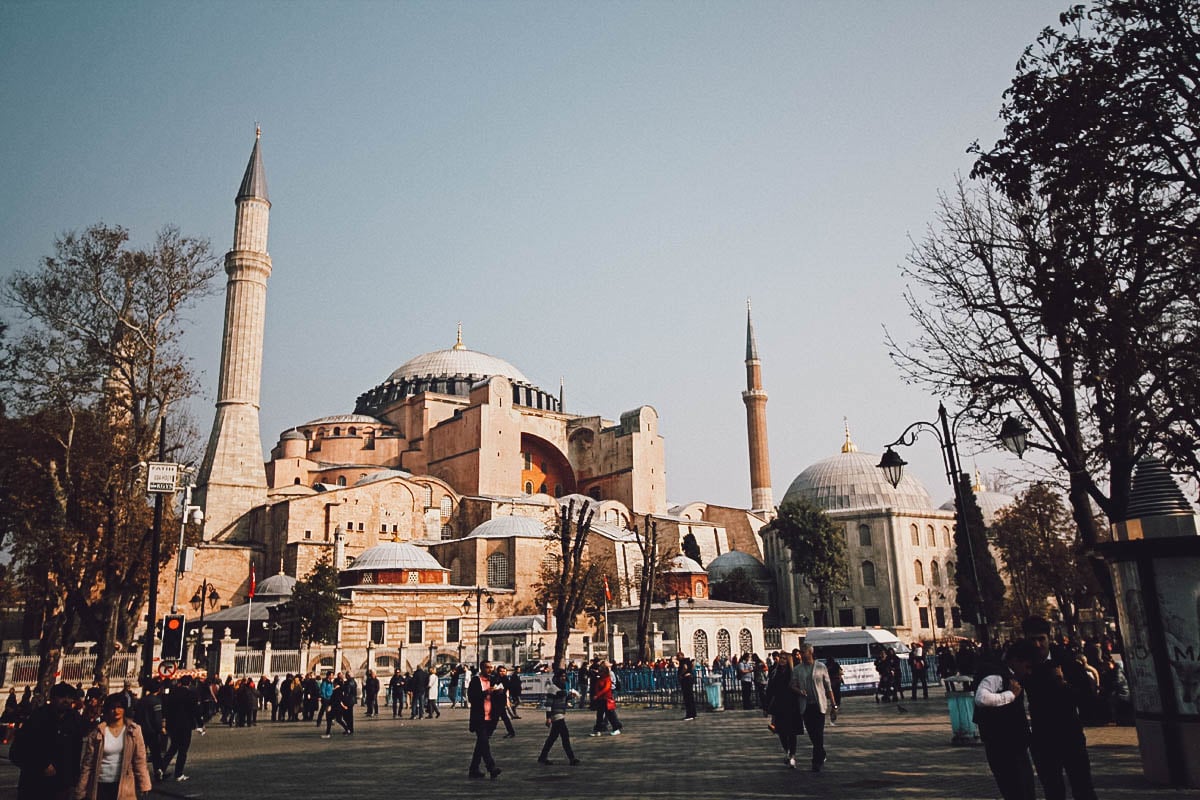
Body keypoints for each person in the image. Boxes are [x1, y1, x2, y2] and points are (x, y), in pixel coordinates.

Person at [1021, 616, 1099, 800]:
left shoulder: (1067, 661)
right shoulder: (1023, 663)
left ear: (1049, 637)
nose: (1038, 644)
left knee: (1082, 786)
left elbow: (1087, 697)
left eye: (1042, 639)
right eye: (1033, 639)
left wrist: (1063, 684)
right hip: (1042, 735)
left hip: (1069, 731)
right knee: (1053, 789)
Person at [974, 640, 1039, 800]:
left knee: (1025, 789)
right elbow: (982, 698)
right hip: (1003, 745)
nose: (1028, 672)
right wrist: (1010, 695)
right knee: (1017, 790)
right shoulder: (997, 675)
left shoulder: (1007, 674)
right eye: (1027, 666)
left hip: (1014, 743)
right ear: (1016, 660)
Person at [10, 682, 86, 800]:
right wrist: (41, 765)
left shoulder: (75, 719)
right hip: (34, 783)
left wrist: (74, 781)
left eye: (69, 697)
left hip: (62, 784)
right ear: (52, 698)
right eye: (61, 696)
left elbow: (76, 752)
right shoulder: (38, 717)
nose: (66, 700)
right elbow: (18, 751)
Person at [74, 693, 152, 800]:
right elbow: (88, 763)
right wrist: (81, 789)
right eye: (113, 707)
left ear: (125, 709)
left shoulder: (134, 730)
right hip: (100, 783)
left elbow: (140, 759)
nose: (116, 711)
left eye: (119, 707)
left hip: (123, 783)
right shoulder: (98, 732)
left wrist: (144, 783)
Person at [791, 644, 835, 772]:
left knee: (819, 733)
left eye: (804, 652)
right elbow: (792, 685)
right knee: (812, 733)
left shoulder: (821, 667)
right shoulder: (797, 669)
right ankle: (821, 752)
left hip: (819, 704)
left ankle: (816, 761)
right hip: (806, 705)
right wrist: (799, 691)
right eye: (801, 652)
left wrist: (834, 704)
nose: (802, 654)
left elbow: (828, 687)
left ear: (810, 652)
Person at [467, 660, 503, 779]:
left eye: (491, 667)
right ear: (482, 668)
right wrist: (485, 693)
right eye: (487, 668)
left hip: (491, 717)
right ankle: (491, 767)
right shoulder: (476, 681)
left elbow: (499, 697)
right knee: (484, 742)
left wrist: (499, 692)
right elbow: (472, 698)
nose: (490, 670)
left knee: (481, 744)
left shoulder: (493, 680)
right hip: (479, 717)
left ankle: (474, 769)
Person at [766, 651, 802, 768]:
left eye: (784, 659)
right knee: (781, 731)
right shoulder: (775, 672)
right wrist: (766, 706)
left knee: (792, 732)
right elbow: (770, 690)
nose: (782, 660)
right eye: (781, 658)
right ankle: (787, 751)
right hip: (779, 705)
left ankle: (792, 755)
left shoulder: (793, 673)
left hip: (791, 705)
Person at [538, 670, 581, 766]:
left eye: (564, 676)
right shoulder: (552, 688)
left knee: (552, 738)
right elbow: (549, 704)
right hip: (556, 715)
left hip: (560, 713)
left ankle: (542, 757)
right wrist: (548, 717)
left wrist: (571, 696)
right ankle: (572, 758)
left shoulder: (561, 688)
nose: (564, 678)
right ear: (556, 678)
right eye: (562, 676)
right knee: (565, 736)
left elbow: (563, 697)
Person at [161, 676, 200, 783]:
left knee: (173, 747)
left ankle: (161, 768)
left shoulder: (172, 694)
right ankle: (178, 773)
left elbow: (166, 709)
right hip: (185, 726)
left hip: (173, 725)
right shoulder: (191, 694)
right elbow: (195, 710)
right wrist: (199, 724)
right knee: (183, 750)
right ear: (189, 684)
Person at [132, 679, 166, 782]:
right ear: (159, 689)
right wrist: (161, 728)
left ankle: (136, 773)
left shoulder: (141, 700)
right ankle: (158, 772)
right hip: (152, 731)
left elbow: (136, 715)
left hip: (141, 729)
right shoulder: (156, 701)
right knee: (156, 753)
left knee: (140, 753)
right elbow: (157, 718)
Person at [588, 661, 623, 736]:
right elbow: (597, 687)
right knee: (599, 715)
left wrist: (597, 695)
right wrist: (597, 695)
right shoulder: (600, 678)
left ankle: (616, 728)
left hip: (607, 699)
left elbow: (606, 688)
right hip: (601, 699)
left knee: (610, 715)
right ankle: (597, 730)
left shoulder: (607, 678)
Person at [494, 665, 514, 736]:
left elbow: (508, 687)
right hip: (495, 699)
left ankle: (489, 731)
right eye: (500, 671)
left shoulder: (505, 679)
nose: (502, 673)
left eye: (504, 671)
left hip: (501, 699)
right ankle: (511, 732)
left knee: (496, 717)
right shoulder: (495, 678)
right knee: (504, 716)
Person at [678, 656, 697, 721]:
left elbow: (685, 667)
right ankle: (693, 713)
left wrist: (681, 674)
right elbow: (693, 665)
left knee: (687, 697)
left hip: (686, 679)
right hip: (689, 678)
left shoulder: (683, 661)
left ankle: (689, 715)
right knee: (691, 697)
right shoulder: (688, 661)